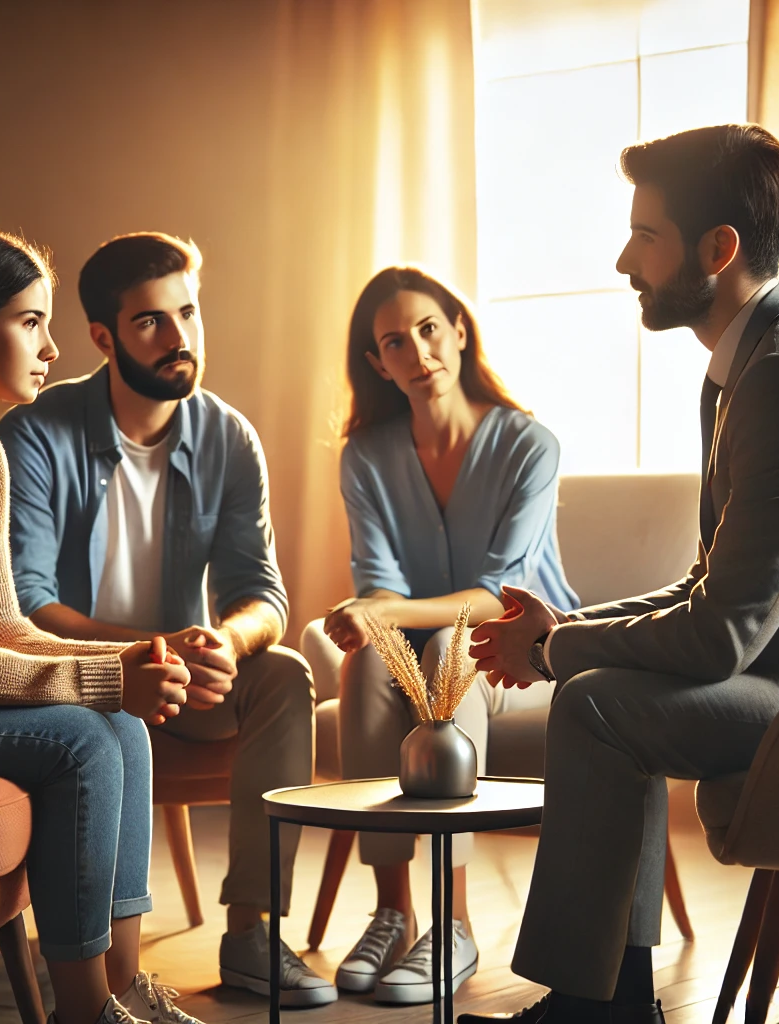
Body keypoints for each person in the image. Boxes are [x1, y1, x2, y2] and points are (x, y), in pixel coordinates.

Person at [463, 124, 779, 1024]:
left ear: (720, 249)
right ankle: (611, 1003)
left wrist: (556, 651)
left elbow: (722, 634)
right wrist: (564, 631)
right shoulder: (751, 362)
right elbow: (711, 585)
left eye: (646, 235)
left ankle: (600, 1011)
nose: (625, 259)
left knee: (593, 702)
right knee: (592, 681)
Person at [0, 232, 333, 1007]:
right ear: (103, 337)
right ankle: (101, 977)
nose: (179, 337)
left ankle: (251, 935)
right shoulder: (37, 432)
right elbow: (26, 603)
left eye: (188, 312)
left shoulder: (228, 437)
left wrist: (225, 640)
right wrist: (146, 651)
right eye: (151, 321)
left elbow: (264, 597)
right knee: (104, 708)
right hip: (78, 687)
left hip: (187, 688)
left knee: (282, 672)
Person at [0, 229, 213, 1024]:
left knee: (124, 728)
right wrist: (107, 676)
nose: (53, 344)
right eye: (30, 322)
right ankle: (83, 1009)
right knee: (82, 737)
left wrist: (127, 659)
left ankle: (124, 987)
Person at [302, 266, 578, 1005]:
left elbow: (497, 601)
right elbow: (378, 581)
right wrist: (376, 619)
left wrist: (384, 613)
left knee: (447, 650)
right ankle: (394, 910)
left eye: (429, 328)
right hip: (416, 657)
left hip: (528, 663)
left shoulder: (530, 445)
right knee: (366, 662)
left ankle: (452, 923)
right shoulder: (365, 455)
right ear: (377, 363)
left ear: (459, 328)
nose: (418, 350)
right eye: (395, 341)